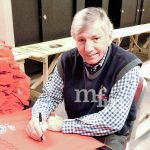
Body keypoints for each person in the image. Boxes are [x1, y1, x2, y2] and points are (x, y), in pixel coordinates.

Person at [26, 7, 142, 150]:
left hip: (109, 136)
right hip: (76, 130)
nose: (88, 48)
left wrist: (63, 125)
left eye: (95, 38)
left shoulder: (126, 65)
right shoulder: (67, 60)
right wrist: (38, 118)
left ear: (109, 37)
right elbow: (49, 96)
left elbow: (111, 122)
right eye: (81, 40)